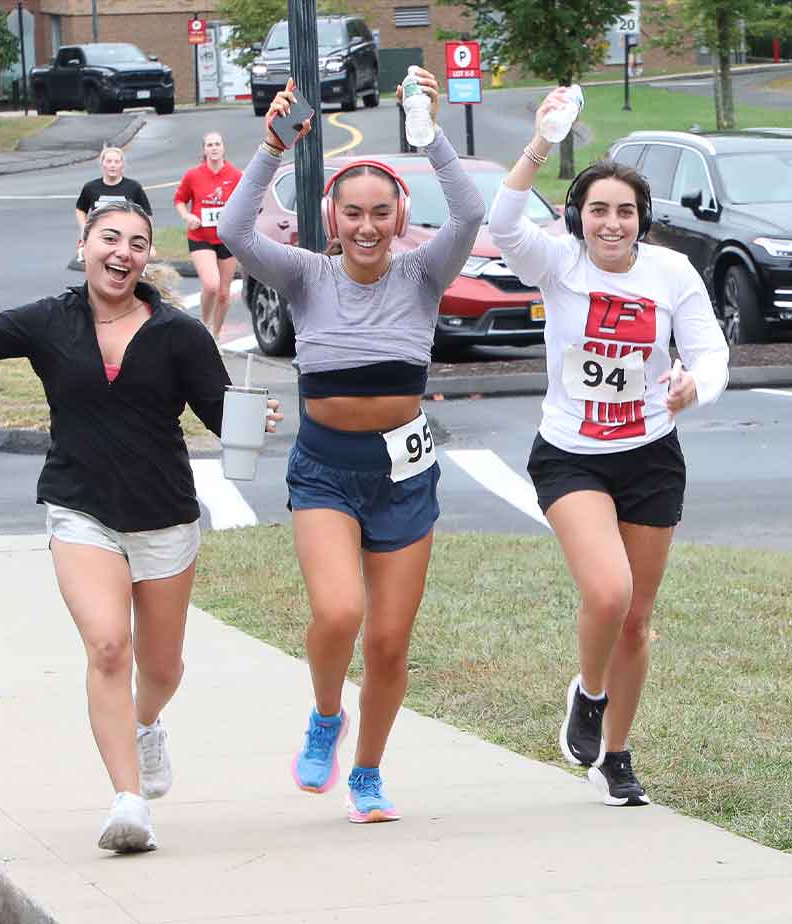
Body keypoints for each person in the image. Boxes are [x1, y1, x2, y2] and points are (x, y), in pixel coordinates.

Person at [0, 201, 282, 852]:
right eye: (109, 238)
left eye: (135, 242)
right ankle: (129, 803)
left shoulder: (179, 333)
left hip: (164, 518)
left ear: (146, 256)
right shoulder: (51, 321)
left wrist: (249, 421)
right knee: (106, 647)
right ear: (85, 244)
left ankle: (147, 725)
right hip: (80, 509)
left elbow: (217, 414)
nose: (121, 251)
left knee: (160, 669)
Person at [218, 73, 486, 823]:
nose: (367, 227)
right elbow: (237, 234)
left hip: (405, 477)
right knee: (338, 614)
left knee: (392, 644)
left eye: (380, 212)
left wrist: (425, 131)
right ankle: (326, 718)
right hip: (327, 470)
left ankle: (366, 774)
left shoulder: (424, 275)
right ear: (331, 219)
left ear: (400, 217)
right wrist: (273, 147)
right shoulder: (305, 275)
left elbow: (469, 209)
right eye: (353, 213)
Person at [488, 88, 729, 807]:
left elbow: (711, 351)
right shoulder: (557, 263)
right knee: (608, 590)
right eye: (599, 209)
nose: (612, 223)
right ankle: (588, 696)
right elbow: (501, 219)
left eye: (625, 211)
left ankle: (615, 756)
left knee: (637, 619)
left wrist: (694, 388)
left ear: (642, 220)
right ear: (578, 217)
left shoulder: (670, 274)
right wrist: (539, 142)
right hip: (571, 453)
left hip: (651, 454)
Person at [174, 132, 243, 344]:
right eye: (210, 145)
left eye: (217, 144)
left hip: (226, 239)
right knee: (211, 285)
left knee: (223, 293)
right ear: (204, 150)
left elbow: (244, 202)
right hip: (200, 236)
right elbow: (179, 200)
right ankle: (204, 327)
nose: (214, 148)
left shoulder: (235, 175)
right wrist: (187, 216)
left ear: (223, 148)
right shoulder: (193, 175)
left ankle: (216, 334)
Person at [75, 146, 155, 263]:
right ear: (102, 164)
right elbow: (80, 209)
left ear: (122, 165)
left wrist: (148, 242)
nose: (112, 165)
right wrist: (84, 229)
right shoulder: (90, 188)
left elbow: (147, 215)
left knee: (147, 257)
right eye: (109, 161)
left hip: (126, 236)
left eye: (116, 162)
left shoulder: (133, 187)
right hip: (100, 235)